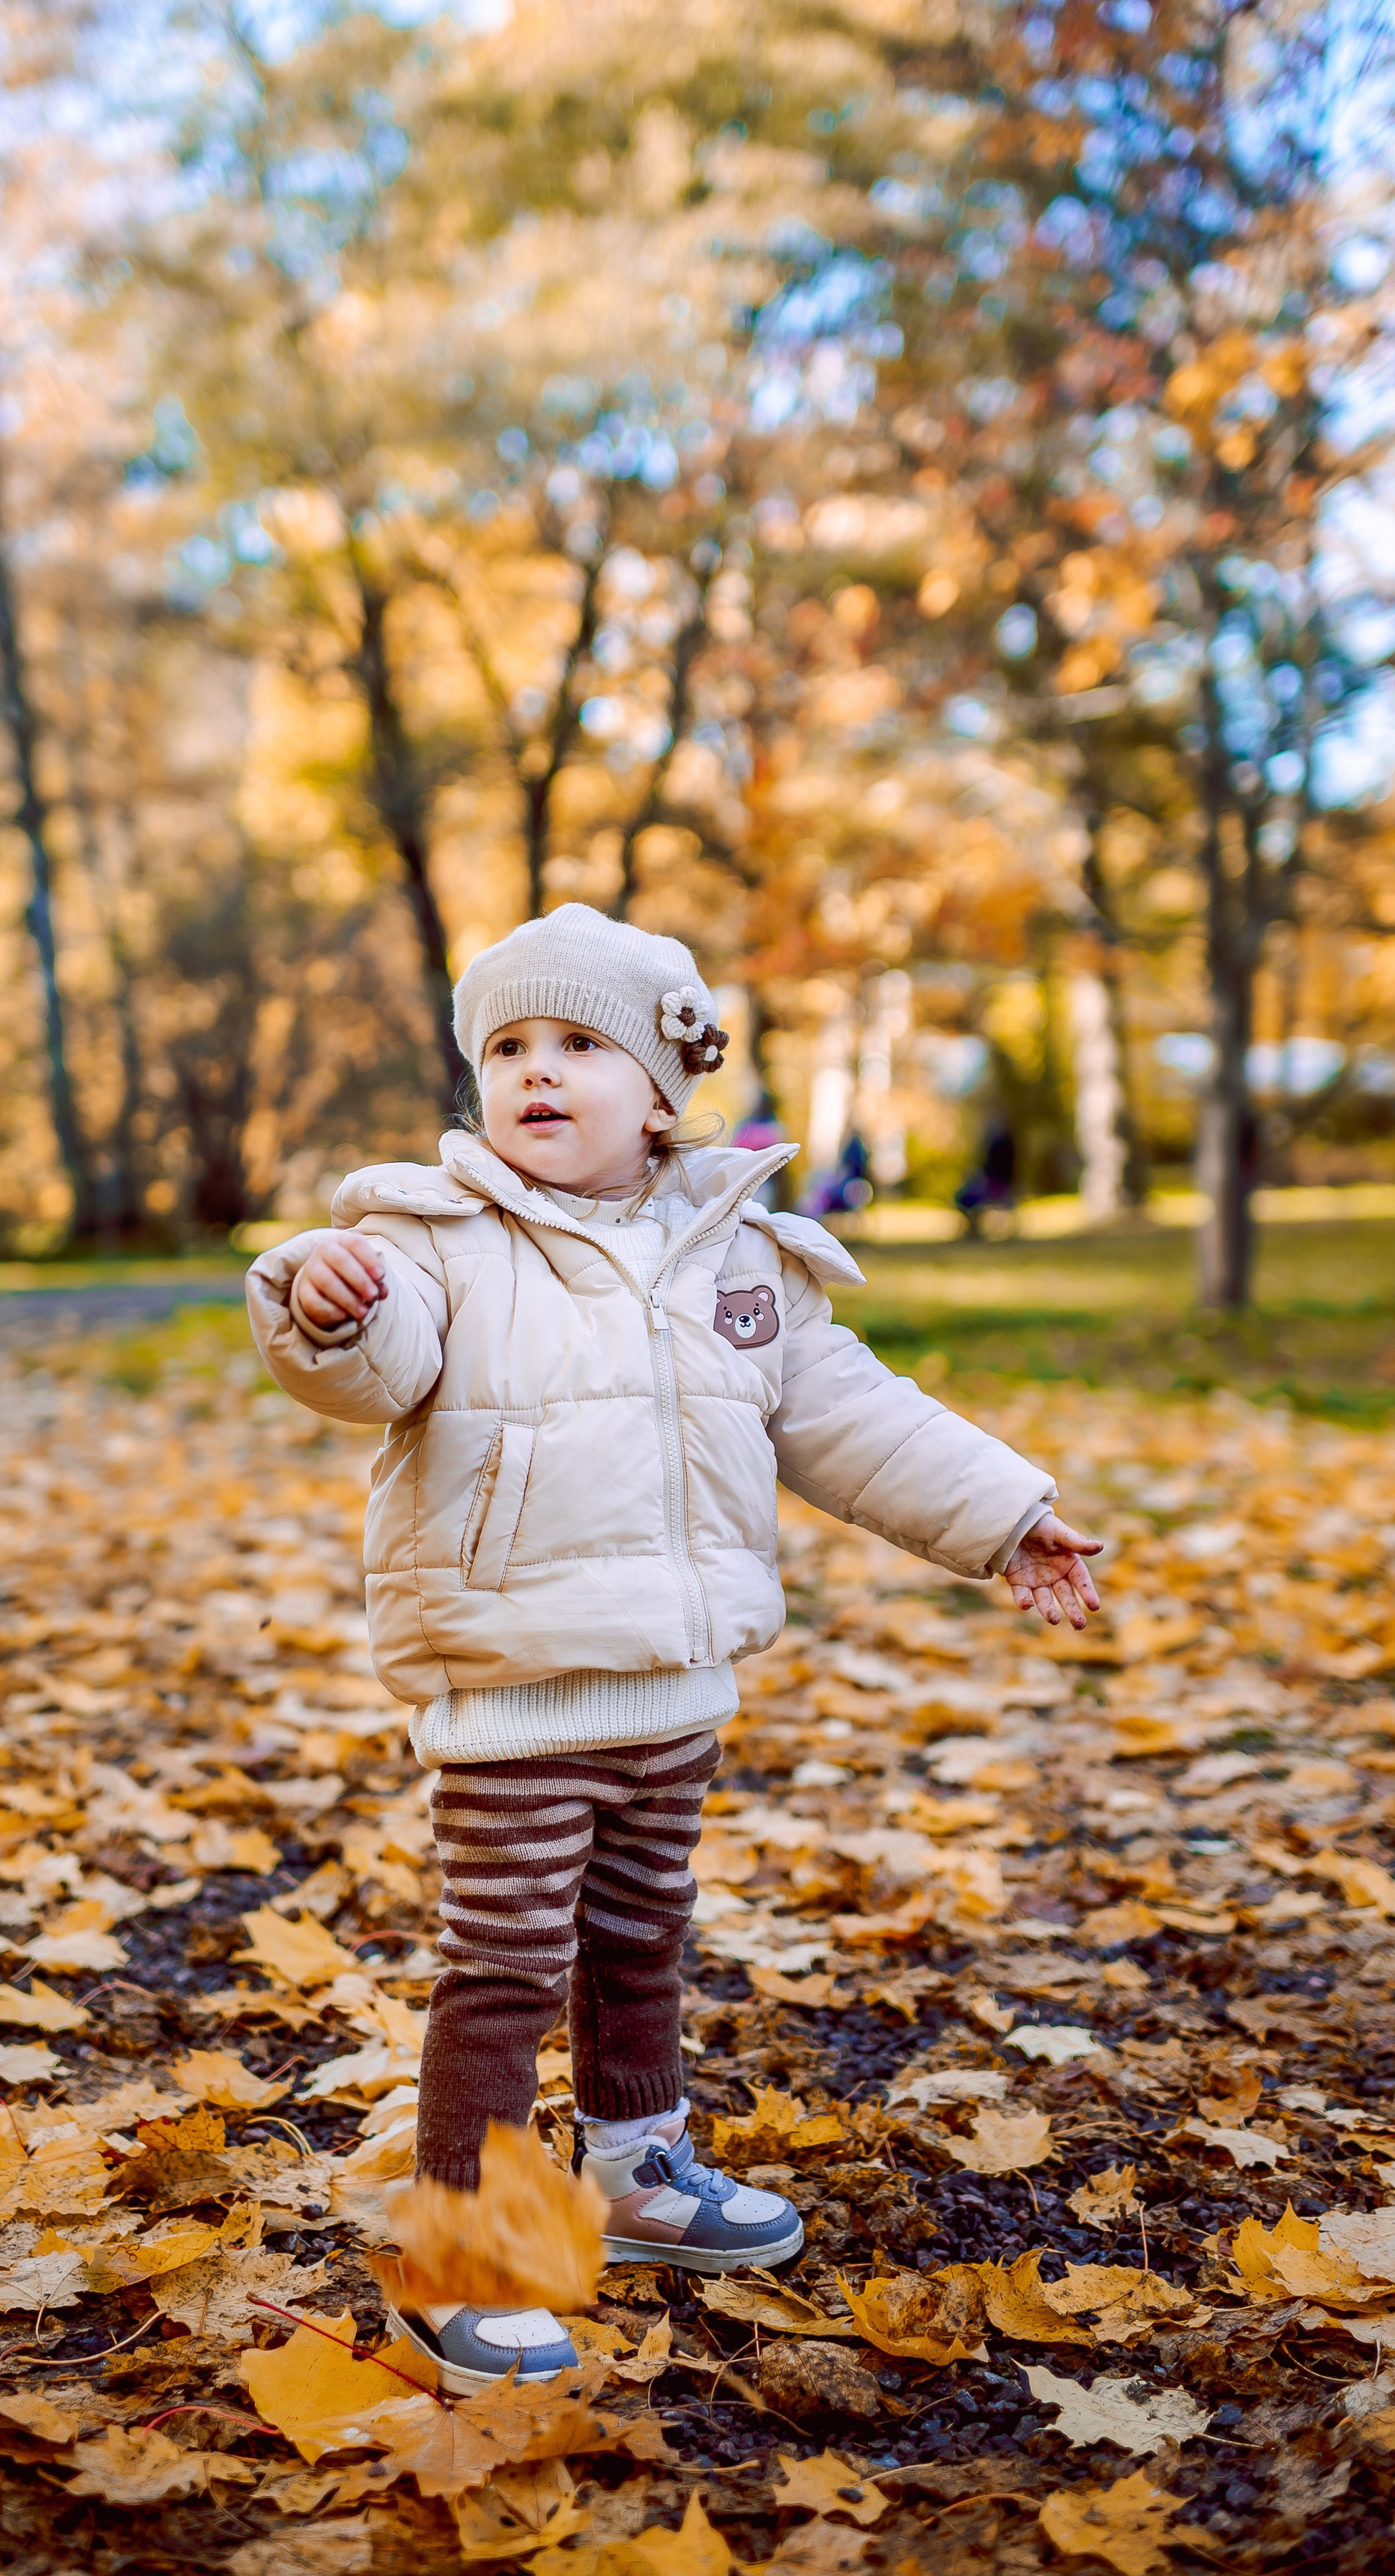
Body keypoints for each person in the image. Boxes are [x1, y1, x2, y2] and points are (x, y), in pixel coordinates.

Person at [247, 906, 1102, 2395]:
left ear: (662, 1090)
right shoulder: (430, 1238)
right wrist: (321, 1303)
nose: (535, 1073)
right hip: (512, 1687)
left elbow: (852, 1421)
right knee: (506, 1968)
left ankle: (633, 2174)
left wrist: (1006, 1511)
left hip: (672, 1688)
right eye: (506, 1047)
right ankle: (470, 2247)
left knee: (641, 1938)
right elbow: (371, 1369)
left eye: (578, 1044)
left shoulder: (733, 1251)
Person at [955, 1114, 1017, 1239]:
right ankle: (973, 1230)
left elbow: (1001, 1170)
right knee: (965, 1198)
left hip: (997, 1186)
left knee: (968, 1198)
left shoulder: (1004, 1145)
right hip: (990, 1184)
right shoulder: (996, 1144)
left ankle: (973, 1230)